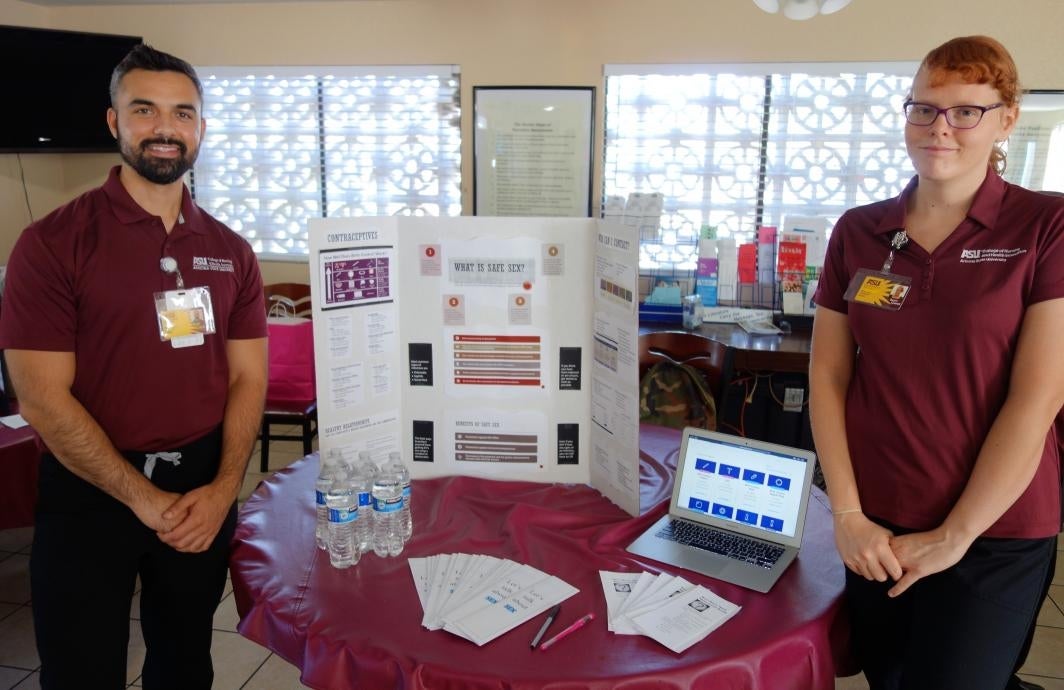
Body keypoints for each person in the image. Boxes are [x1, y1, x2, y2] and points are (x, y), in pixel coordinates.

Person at [0, 44, 268, 689]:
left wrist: (224, 487)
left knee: (183, 662)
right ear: (115, 123)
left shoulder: (231, 251)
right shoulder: (54, 243)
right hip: (88, 493)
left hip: (200, 486)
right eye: (144, 110)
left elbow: (247, 378)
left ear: (200, 128)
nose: (165, 128)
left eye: (183, 113)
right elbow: (40, 397)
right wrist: (143, 499)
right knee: (81, 668)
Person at [809, 35, 1063, 690]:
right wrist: (847, 515)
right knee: (888, 678)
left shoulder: (1045, 226)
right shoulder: (860, 230)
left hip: (993, 533)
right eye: (922, 108)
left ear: (1007, 117)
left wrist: (956, 535)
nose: (938, 128)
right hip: (876, 523)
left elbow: (1038, 399)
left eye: (964, 110)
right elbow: (829, 376)